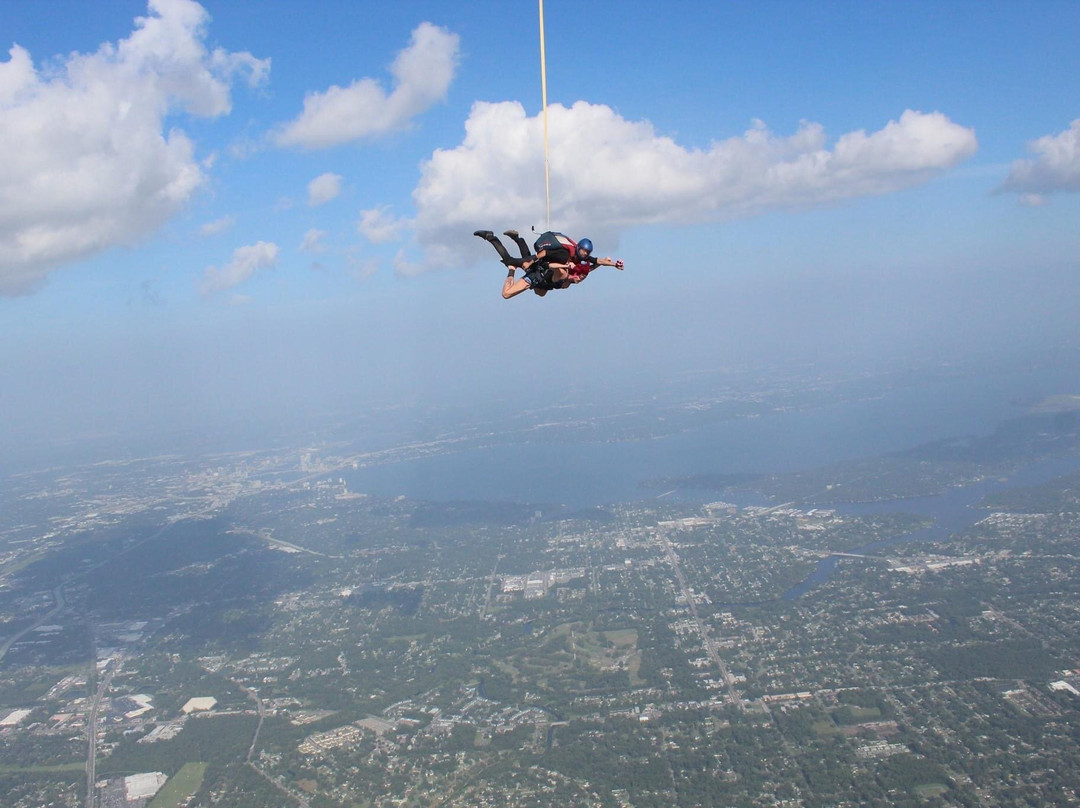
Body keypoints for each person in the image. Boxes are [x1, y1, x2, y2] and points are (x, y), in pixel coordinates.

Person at [474, 229, 624, 299]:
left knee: (511, 286)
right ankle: (491, 238)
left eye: (587, 253)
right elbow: (551, 262)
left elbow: (594, 264)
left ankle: (516, 241)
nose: (579, 280)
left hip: (537, 275)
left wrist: (611, 264)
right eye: (583, 251)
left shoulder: (574, 274)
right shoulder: (565, 266)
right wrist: (564, 266)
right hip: (537, 270)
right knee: (514, 262)